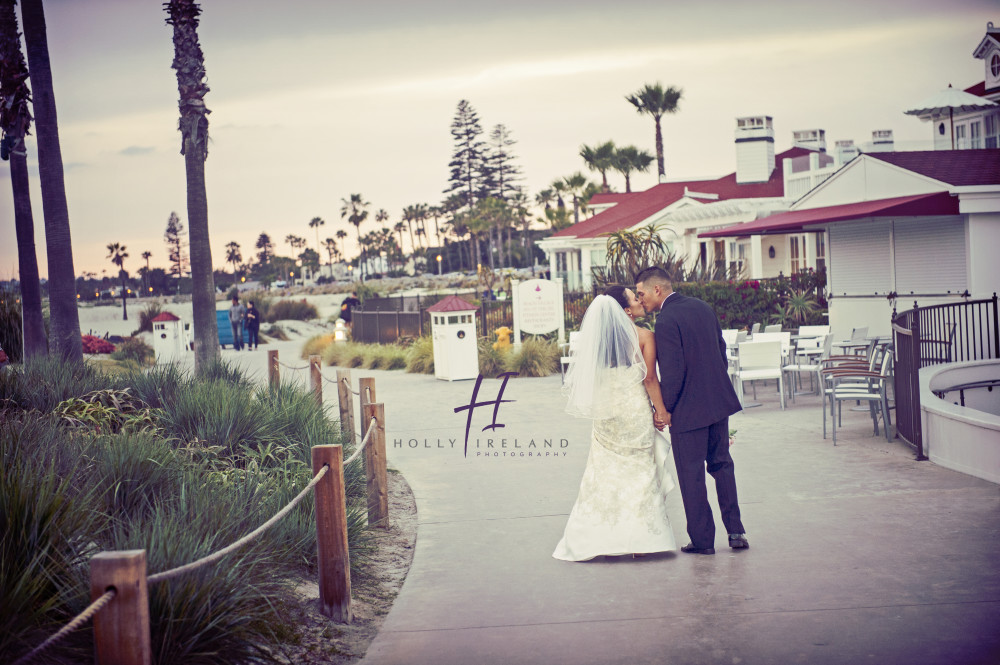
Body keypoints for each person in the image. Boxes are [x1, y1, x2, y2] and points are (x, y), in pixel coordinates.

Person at [553, 286, 677, 561]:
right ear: (626, 311)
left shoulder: (597, 344)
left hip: (608, 413)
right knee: (641, 473)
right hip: (634, 412)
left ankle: (602, 538)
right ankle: (642, 542)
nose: (639, 300)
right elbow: (649, 379)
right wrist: (661, 412)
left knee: (604, 474)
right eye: (635, 298)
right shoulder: (645, 336)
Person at [634, 266, 748, 554]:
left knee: (692, 474)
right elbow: (720, 352)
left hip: (688, 410)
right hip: (717, 402)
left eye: (641, 293)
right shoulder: (702, 307)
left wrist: (666, 410)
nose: (641, 300)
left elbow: (673, 373)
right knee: (722, 465)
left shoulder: (666, 320)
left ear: (657, 289)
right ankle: (736, 532)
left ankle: (702, 541)